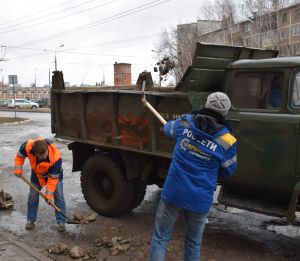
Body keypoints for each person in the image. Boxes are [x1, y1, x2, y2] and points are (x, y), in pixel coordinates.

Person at [149, 92, 237, 261]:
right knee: (193, 243)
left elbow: (168, 130)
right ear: (226, 112)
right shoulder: (228, 140)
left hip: (173, 192)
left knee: (160, 239)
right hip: (200, 199)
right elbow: (229, 171)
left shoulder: (186, 121)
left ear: (206, 104)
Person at [13, 137, 67, 232]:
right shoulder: (28, 147)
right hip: (37, 175)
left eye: (44, 154)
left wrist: (49, 195)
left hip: (54, 176)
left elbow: (52, 180)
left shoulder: (56, 157)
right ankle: (30, 220)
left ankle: (61, 222)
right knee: (33, 196)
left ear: (47, 149)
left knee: (59, 196)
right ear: (34, 153)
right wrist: (18, 169)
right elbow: (20, 155)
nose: (43, 157)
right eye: (40, 156)